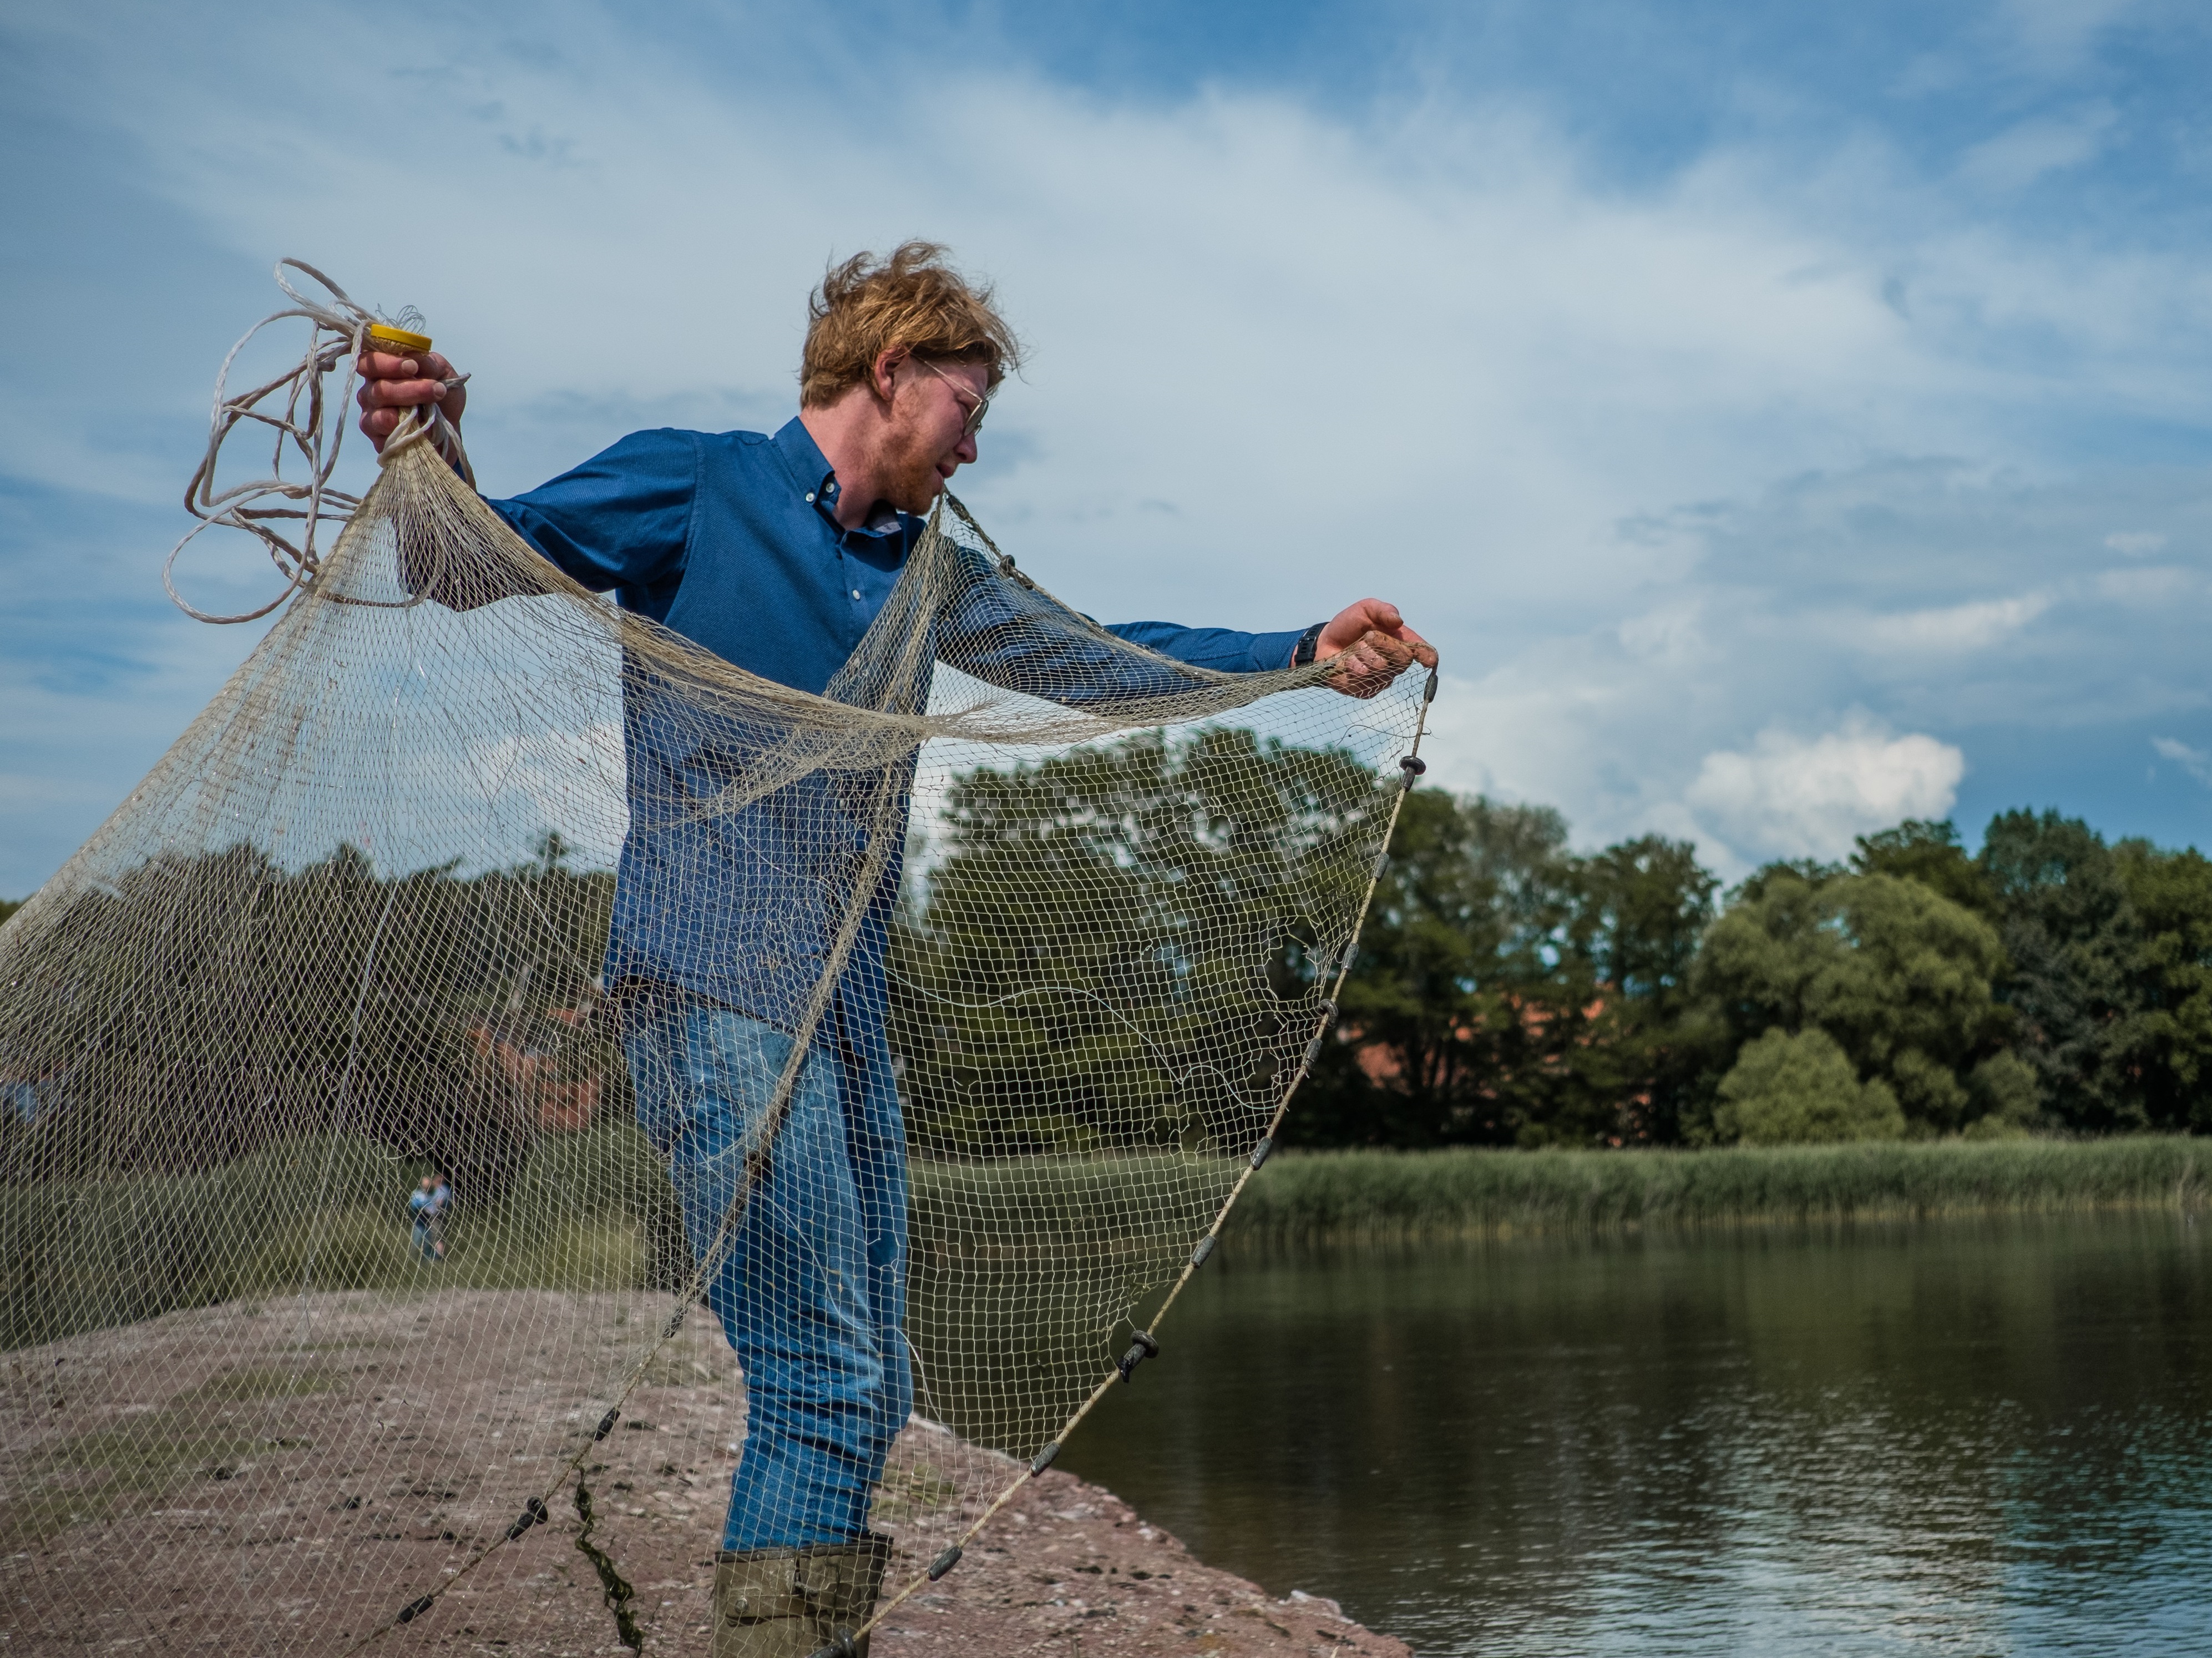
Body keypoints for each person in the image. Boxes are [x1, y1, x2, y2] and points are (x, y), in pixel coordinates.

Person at [356, 244, 1433, 1658]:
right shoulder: (699, 483)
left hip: (847, 1005)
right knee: (821, 1372)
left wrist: (1300, 645)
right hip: (713, 988)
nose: (976, 440)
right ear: (890, 373)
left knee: (870, 1380)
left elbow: (1096, 652)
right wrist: (426, 449)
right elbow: (456, 562)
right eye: (967, 404)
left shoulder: (927, 568)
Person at [407, 1171, 451, 1263]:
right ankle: (413, 1261)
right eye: (425, 1183)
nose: (427, 1186)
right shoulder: (417, 1194)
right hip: (419, 1223)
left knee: (429, 1242)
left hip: (430, 1221)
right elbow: (415, 1206)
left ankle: (430, 1260)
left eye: (428, 1184)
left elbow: (437, 1205)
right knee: (417, 1242)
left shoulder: (433, 1194)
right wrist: (423, 1208)